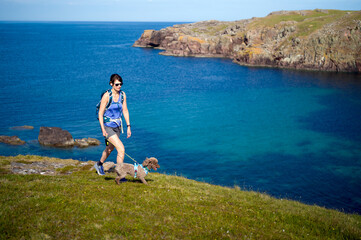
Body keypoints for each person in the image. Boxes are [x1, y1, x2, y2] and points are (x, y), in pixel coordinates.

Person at [94, 73, 131, 175]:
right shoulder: (107, 96)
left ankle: (99, 164)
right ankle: (120, 174)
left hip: (118, 127)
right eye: (117, 84)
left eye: (121, 84)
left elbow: (125, 111)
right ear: (111, 84)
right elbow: (100, 114)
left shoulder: (123, 95)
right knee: (121, 149)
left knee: (110, 149)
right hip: (108, 127)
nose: (119, 86)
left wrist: (128, 126)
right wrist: (103, 130)